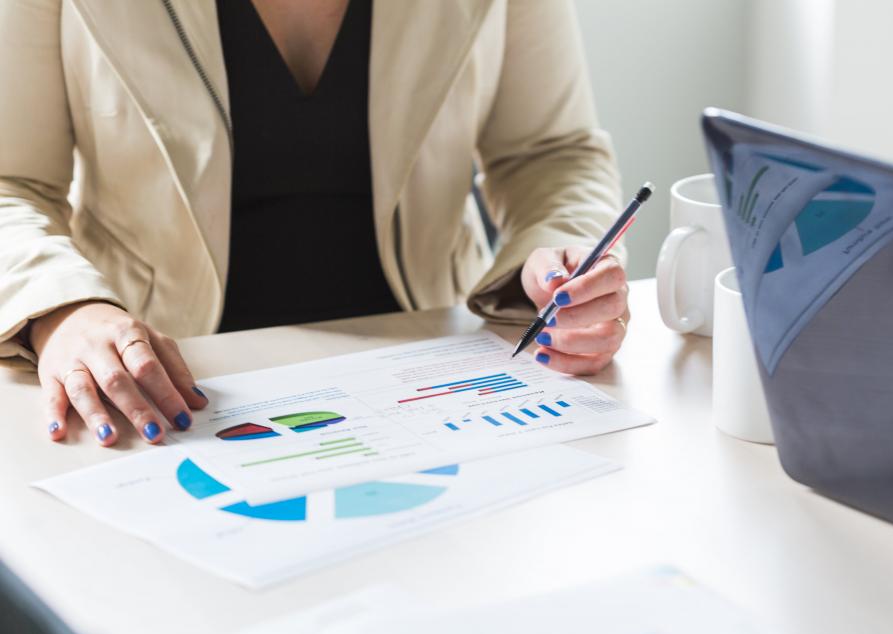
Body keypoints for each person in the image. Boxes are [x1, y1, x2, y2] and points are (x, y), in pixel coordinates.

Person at [0, 0, 631, 447]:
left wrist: (556, 262)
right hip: (163, 380)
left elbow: (553, 154)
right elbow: (11, 183)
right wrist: (65, 311)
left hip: (443, 371)